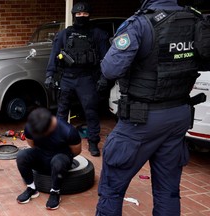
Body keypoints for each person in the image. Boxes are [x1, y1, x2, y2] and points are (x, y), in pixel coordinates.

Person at [96, 0, 208, 215]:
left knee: (111, 188)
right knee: (168, 191)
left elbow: (111, 69)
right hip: (178, 116)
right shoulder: (195, 19)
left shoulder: (140, 23)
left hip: (142, 119)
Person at [44, 2, 109, 157]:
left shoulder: (97, 34)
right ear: (74, 16)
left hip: (87, 78)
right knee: (61, 112)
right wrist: (49, 75)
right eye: (78, 14)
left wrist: (104, 78)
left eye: (85, 14)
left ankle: (93, 142)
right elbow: (54, 55)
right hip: (67, 77)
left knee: (91, 112)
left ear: (89, 15)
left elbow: (107, 59)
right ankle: (59, 140)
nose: (81, 16)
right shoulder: (64, 34)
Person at [16, 108, 81, 210]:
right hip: (42, 154)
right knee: (21, 156)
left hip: (60, 157)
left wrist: (64, 159)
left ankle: (55, 191)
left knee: (58, 161)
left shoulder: (68, 131)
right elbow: (31, 143)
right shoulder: (30, 126)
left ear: (51, 126)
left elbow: (76, 151)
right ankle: (31, 188)